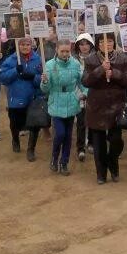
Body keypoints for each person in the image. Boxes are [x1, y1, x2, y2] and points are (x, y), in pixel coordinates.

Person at [81, 33, 127, 185]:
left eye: (110, 41)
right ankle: (101, 174)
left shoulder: (122, 58)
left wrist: (115, 74)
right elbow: (85, 81)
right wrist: (100, 70)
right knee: (99, 144)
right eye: (103, 41)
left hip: (116, 106)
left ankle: (113, 164)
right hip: (96, 106)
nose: (107, 44)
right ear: (98, 44)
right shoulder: (90, 59)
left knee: (116, 140)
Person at [41, 41, 83, 176]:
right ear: (57, 50)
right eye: (62, 51)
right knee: (60, 134)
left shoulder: (76, 64)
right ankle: (54, 157)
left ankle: (64, 162)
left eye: (67, 51)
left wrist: (84, 94)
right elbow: (45, 89)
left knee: (68, 136)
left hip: (71, 102)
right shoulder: (49, 65)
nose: (65, 54)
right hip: (56, 102)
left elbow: (82, 82)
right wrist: (45, 81)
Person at [0, 37, 43, 160]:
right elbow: (2, 77)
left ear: (32, 45)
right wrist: (15, 71)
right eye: (22, 44)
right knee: (15, 123)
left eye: (27, 44)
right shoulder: (12, 59)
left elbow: (44, 78)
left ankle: (31, 149)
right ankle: (15, 139)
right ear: (18, 46)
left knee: (35, 124)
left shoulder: (38, 59)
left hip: (33, 97)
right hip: (16, 97)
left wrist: (33, 77)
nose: (25, 47)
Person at [73, 33, 95, 161]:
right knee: (81, 122)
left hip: (93, 94)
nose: (84, 46)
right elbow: (74, 79)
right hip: (79, 94)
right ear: (78, 46)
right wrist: (80, 93)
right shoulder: (74, 60)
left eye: (87, 43)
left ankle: (91, 142)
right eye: (81, 44)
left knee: (92, 120)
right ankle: (80, 148)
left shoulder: (97, 58)